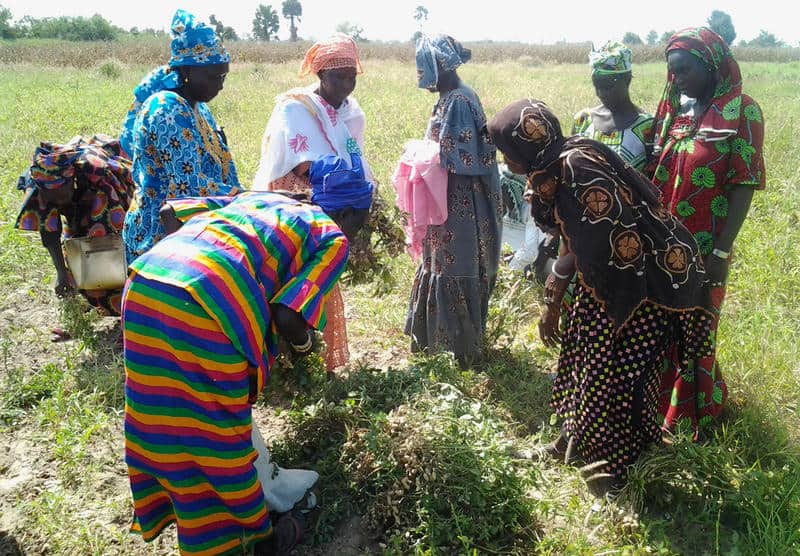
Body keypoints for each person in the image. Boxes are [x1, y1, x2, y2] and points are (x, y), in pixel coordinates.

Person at [122, 174, 373, 554]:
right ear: (351, 214)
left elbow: (170, 212)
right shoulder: (332, 236)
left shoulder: (262, 198)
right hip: (207, 306)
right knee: (220, 431)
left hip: (146, 282)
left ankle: (178, 510)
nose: (356, 232)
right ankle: (257, 540)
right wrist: (305, 350)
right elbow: (288, 316)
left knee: (161, 412)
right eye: (361, 223)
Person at [488, 99, 713, 491]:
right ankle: (570, 442)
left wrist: (555, 293)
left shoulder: (576, 168)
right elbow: (573, 232)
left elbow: (599, 242)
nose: (504, 161)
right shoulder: (555, 162)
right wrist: (557, 295)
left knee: (617, 376)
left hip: (643, 284)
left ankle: (613, 469)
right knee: (586, 357)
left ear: (525, 146)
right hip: (613, 278)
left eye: (506, 152)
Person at [651, 27, 766, 435]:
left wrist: (720, 252)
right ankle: (660, 406)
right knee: (663, 326)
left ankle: (701, 416)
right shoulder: (678, 114)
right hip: (663, 244)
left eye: (684, 70)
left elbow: (744, 184)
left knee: (697, 330)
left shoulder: (743, 111)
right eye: (672, 72)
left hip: (704, 248)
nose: (676, 79)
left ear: (711, 64)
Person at [252, 33, 372, 372]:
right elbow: (301, 162)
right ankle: (280, 356)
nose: (346, 85)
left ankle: (310, 355)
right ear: (320, 75)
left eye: (351, 77)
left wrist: (355, 191)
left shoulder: (351, 112)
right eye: (338, 77)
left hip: (333, 204)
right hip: (297, 201)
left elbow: (355, 157)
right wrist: (336, 184)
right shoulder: (294, 107)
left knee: (320, 277)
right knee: (285, 276)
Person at [404, 34, 502, 368]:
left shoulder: (459, 100)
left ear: (440, 66)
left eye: (426, 69)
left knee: (454, 267)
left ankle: (457, 352)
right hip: (446, 200)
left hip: (460, 202)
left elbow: (459, 160)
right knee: (442, 264)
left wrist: (421, 158)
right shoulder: (448, 96)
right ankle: (440, 346)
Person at [120, 9, 240, 265]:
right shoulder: (166, 109)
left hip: (195, 229)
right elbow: (188, 188)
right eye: (213, 77)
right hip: (161, 238)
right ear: (186, 70)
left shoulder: (200, 107)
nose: (220, 85)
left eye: (223, 76)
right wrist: (250, 197)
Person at [14, 135, 133, 320]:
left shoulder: (98, 176)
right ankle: (84, 307)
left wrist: (102, 261)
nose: (59, 200)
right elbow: (50, 233)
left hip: (101, 195)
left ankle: (125, 306)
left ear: (72, 181)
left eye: (63, 194)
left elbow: (113, 235)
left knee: (106, 249)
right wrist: (61, 272)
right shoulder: (39, 188)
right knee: (75, 250)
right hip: (78, 195)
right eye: (54, 197)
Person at [573, 41, 654, 172]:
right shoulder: (582, 120)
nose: (601, 93)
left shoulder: (647, 126)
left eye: (608, 86)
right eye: (596, 85)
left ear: (627, 79)